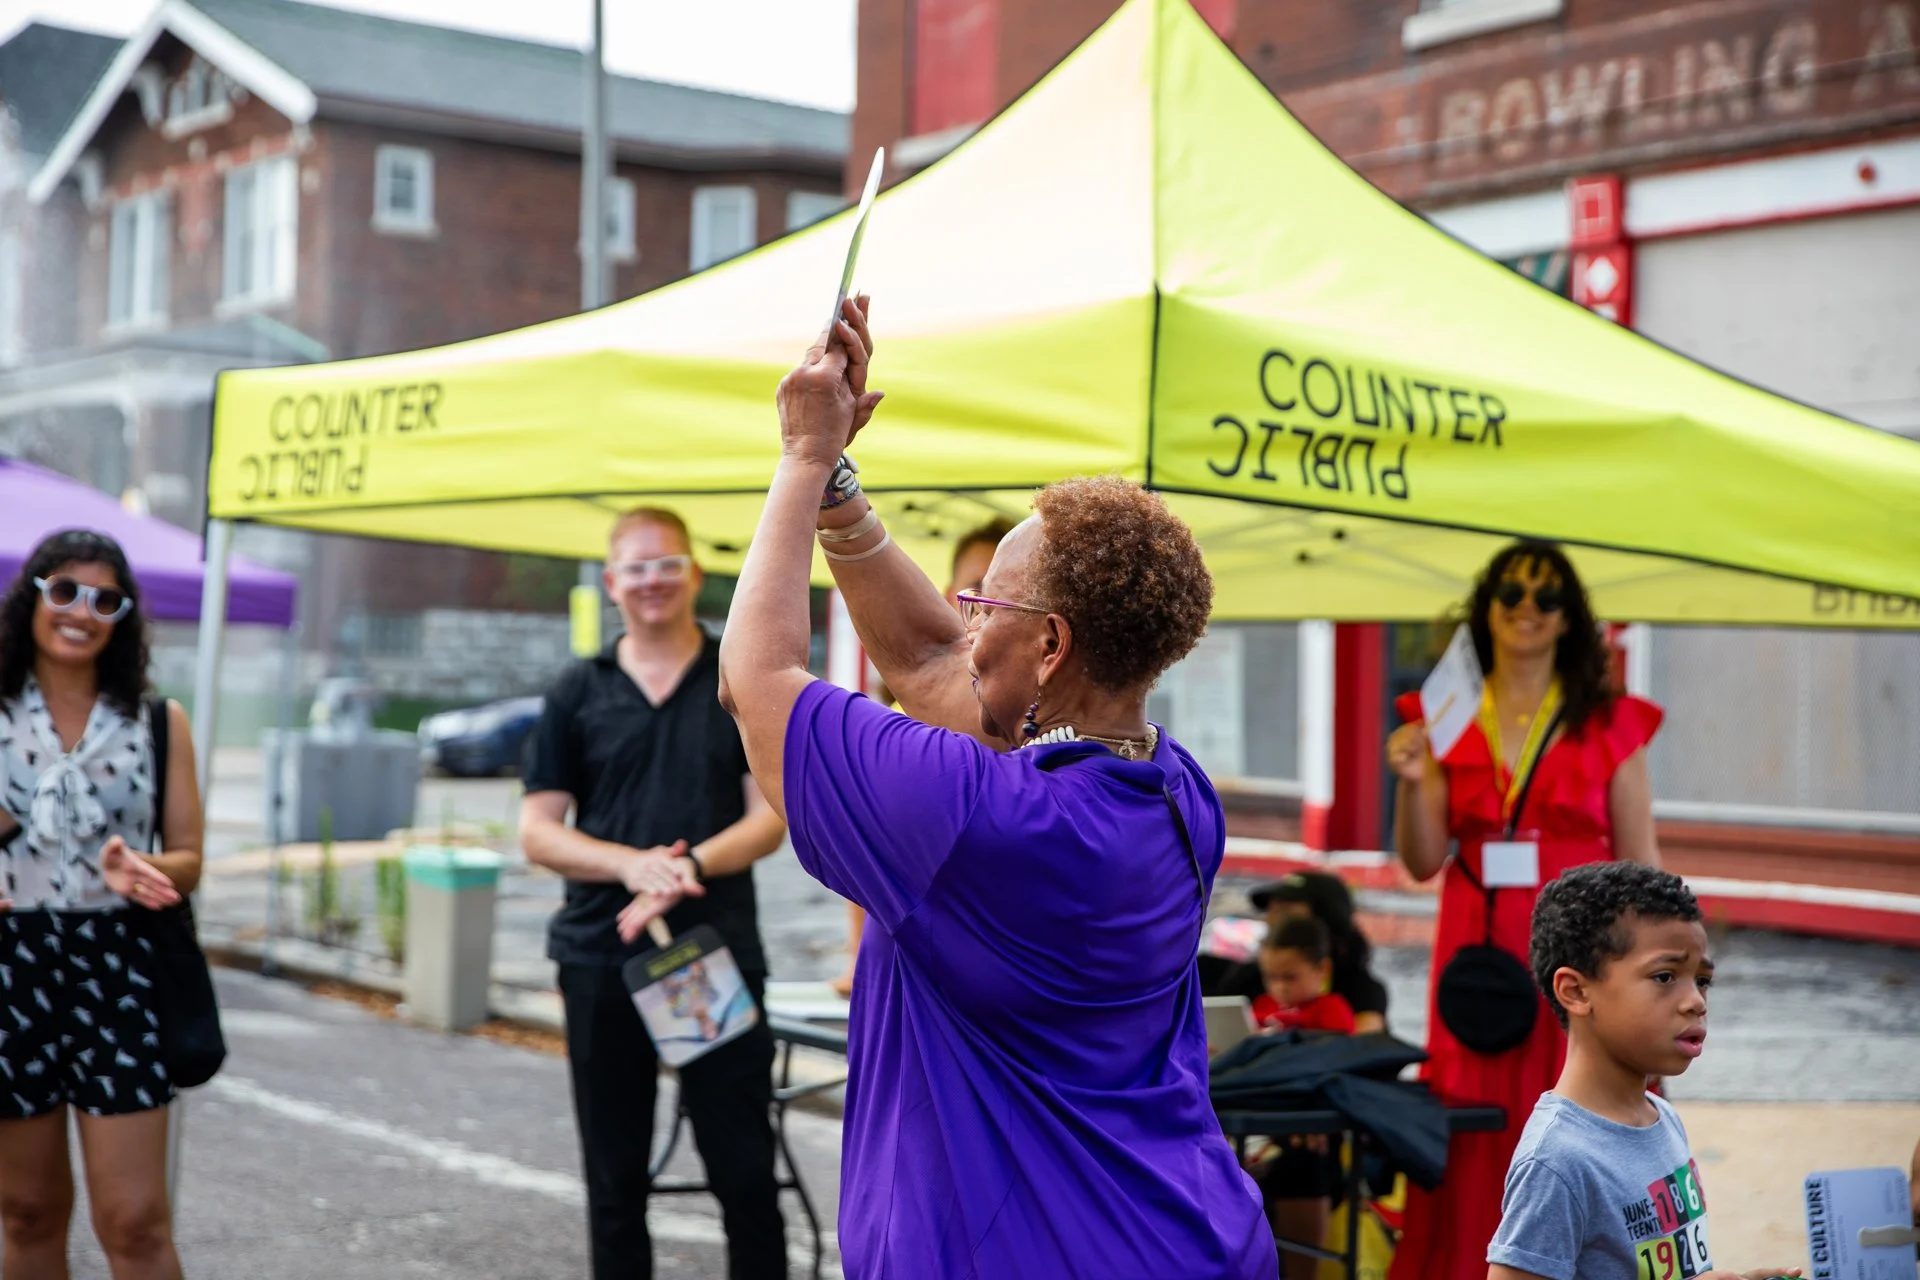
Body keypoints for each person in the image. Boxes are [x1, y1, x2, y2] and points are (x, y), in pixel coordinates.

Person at [715, 297, 1274, 1276]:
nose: (966, 620)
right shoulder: (1177, 790)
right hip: (1184, 1237)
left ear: (1051, 645)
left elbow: (755, 683)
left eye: (987, 604)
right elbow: (941, 665)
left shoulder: (976, 816)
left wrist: (801, 458)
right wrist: (843, 490)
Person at [519, 507, 791, 1280]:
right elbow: (539, 831)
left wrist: (685, 866)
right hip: (602, 958)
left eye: (667, 564)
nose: (652, 581)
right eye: (635, 568)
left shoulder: (736, 680)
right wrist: (630, 866)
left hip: (709, 956)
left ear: (695, 574)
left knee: (743, 1171)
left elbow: (768, 818)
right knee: (615, 1182)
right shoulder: (578, 689)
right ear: (611, 584)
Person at [1385, 541, 1664, 1280]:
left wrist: (1654, 978)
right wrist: (1414, 782)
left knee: (1588, 1105)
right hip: (1478, 950)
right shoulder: (1444, 714)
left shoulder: (1611, 723)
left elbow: (1644, 868)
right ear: (1487, 607)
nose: (1527, 610)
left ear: (1571, 618)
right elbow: (1419, 860)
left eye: (1546, 597)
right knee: (1480, 1125)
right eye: (1511, 593)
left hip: (1585, 954)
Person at [0, 529, 204, 1278]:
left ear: (123, 617)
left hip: (118, 967)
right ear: (33, 597)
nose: (82, 611)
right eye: (64, 591)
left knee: (138, 1221)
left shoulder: (157, 722)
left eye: (105, 599)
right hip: (8, 965)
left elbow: (188, 860)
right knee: (26, 1212)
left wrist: (143, 867)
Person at [1488, 861, 1801, 1280]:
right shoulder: (1557, 1162)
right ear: (1577, 991)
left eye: (1702, 980)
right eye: (1665, 976)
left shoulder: (1662, 1117)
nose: (1695, 1001)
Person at [829, 515, 1013, 999]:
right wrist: (857, 961)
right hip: (915, 958)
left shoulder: (1044, 710)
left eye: (1004, 588)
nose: (986, 601)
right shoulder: (902, 715)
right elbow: (864, 844)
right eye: (977, 586)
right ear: (950, 591)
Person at [1212, 870, 1388, 1034]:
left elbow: (1363, 1053)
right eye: (1270, 910)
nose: (1270, 920)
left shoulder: (1360, 991)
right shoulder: (1249, 979)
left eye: (1284, 912)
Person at [1253, 916, 1356, 1034]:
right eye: (1271, 977)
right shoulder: (1263, 1005)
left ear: (1323, 969)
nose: (1280, 987)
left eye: (1290, 977)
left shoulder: (1332, 1011)